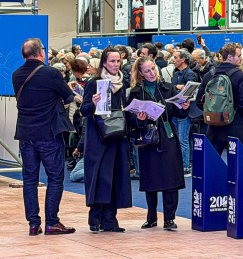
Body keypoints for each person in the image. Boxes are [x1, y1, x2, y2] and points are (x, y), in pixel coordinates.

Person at [12, 38, 76, 236]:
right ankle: (52, 222)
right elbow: (69, 97)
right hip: (48, 133)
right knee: (55, 178)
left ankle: (33, 223)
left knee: (29, 179)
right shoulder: (51, 73)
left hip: (25, 133)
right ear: (41, 53)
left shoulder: (16, 75)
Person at [126, 57, 190, 229]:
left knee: (171, 178)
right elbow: (130, 119)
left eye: (153, 69)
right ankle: (151, 216)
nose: (152, 73)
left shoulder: (167, 88)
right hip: (148, 139)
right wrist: (139, 119)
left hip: (168, 136)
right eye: (147, 71)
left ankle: (170, 218)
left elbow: (178, 114)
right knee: (150, 179)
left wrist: (184, 108)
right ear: (140, 73)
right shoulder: (136, 92)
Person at [80, 46, 133, 233]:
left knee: (115, 177)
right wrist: (93, 104)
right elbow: (84, 111)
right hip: (98, 138)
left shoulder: (122, 83)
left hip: (117, 136)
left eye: (118, 61)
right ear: (104, 62)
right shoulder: (94, 83)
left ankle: (110, 220)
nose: (116, 65)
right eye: (112, 61)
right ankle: (95, 219)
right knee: (99, 177)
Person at [195, 43, 243, 154]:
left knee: (212, 164)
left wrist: (213, 111)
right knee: (236, 164)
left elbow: (199, 101)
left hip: (213, 127)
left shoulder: (209, 75)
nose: (241, 58)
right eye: (239, 55)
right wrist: (239, 115)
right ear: (230, 57)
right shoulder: (240, 76)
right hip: (235, 126)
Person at [170, 49, 196, 175]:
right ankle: (178, 165)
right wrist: (177, 87)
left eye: (175, 57)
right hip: (175, 109)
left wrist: (177, 88)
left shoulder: (190, 74)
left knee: (183, 139)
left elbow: (189, 91)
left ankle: (185, 167)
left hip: (184, 110)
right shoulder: (176, 74)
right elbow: (172, 89)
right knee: (176, 139)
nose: (173, 60)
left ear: (183, 59)